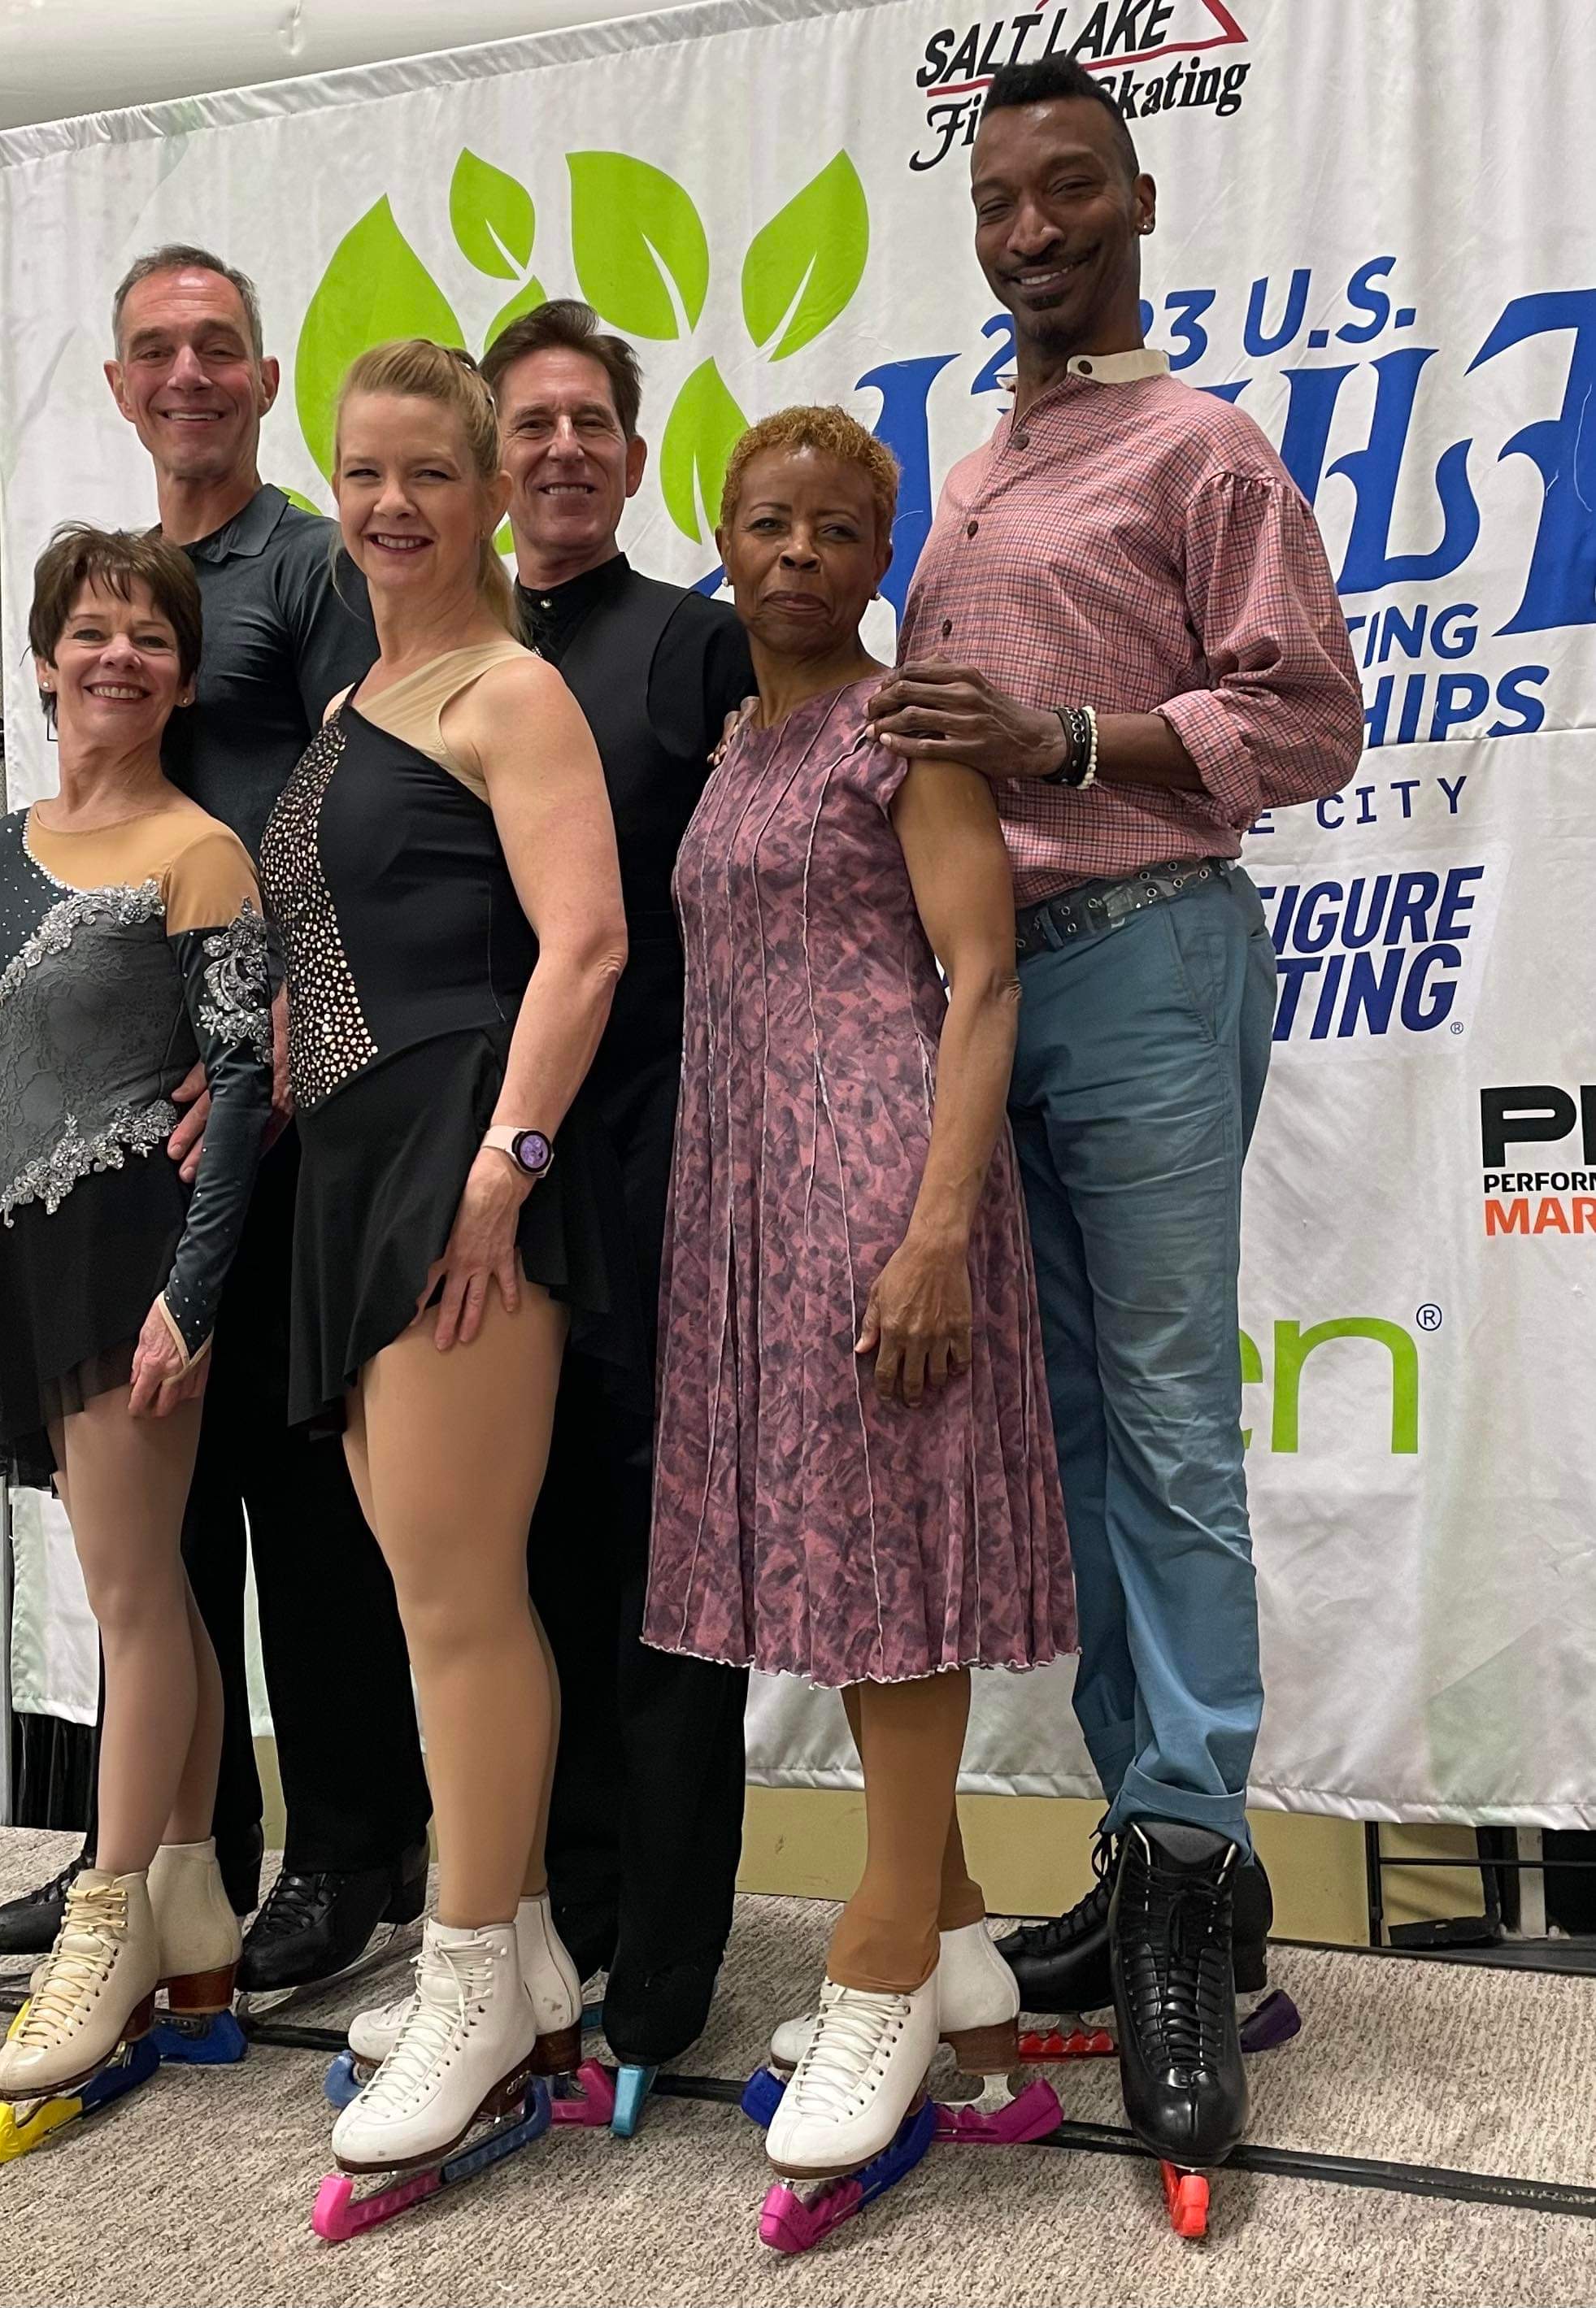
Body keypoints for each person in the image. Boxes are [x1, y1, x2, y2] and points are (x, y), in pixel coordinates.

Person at [867, 57, 1363, 2179]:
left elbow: (1311, 715)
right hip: (992, 1000)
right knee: (1065, 1448)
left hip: (1153, 957)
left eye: (1070, 188)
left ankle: (1182, 1884)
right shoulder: (970, 473)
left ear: (1138, 199)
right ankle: (1152, 1841)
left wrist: (1067, 730)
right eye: (1001, 198)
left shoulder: (1205, 445)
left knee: (1162, 1421)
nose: (1031, 225)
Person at [0, 246, 432, 2000]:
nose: (188, 375)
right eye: (155, 350)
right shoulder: (146, 585)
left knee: (295, 1499)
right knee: (154, 1524)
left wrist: (287, 1038)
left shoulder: (315, 562)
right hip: (128, 1129)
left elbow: (358, 802)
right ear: (116, 387)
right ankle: (176, 1852)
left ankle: (343, 1857)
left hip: (277, 1107)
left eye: (218, 349)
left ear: (262, 376)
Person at [643, 406, 1074, 2210]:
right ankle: (965, 1955)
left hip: (876, 1190)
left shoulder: (909, 733)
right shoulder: (740, 741)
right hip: (747, 1202)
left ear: (881, 553)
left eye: (836, 526)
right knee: (835, 1580)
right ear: (725, 539)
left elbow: (983, 982)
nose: (800, 550)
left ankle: (884, 1962)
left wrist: (937, 1233)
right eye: (769, 521)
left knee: (892, 1578)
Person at [261, 338, 633, 2184]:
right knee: (437, 1583)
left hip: (453, 1163)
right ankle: (534, 1939)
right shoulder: (353, 700)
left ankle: (475, 1975)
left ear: (491, 488)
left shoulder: (511, 691)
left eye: (426, 470)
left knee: (458, 1593)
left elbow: (584, 950)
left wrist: (502, 1173)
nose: (389, 503)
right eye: (360, 474)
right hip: (351, 1170)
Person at [0, 526, 270, 2102]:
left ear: (184, 676)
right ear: (45, 657)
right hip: (34, 1246)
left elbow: (248, 1092)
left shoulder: (202, 850)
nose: (119, 654)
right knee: (153, 1593)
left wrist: (191, 1296)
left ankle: (107, 1916)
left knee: (131, 1607)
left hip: (134, 1247)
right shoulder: (8, 844)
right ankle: (194, 1900)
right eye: (93, 629)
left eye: (151, 635)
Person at [477, 299, 754, 2074]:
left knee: (664, 1604)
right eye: (533, 424)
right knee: (528, 1578)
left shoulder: (701, 649)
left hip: (662, 1186)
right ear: (490, 460)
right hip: (487, 1198)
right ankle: (549, 1931)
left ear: (635, 462)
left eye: (593, 423)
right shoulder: (438, 663)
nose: (564, 447)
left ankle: (663, 1974)